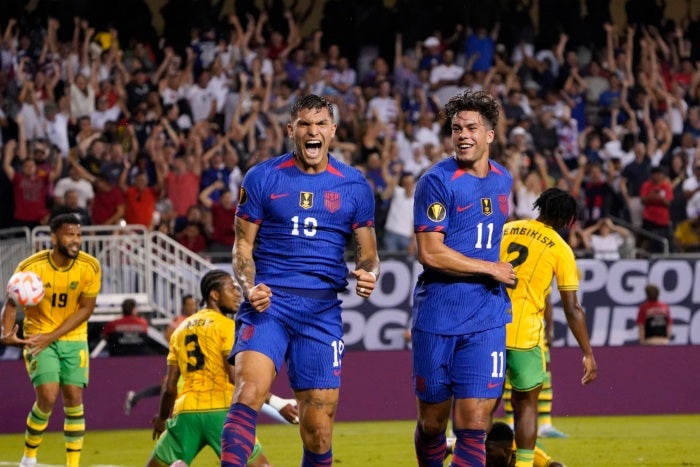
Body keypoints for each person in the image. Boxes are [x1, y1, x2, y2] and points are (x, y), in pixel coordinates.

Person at [220, 94, 380, 467]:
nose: (313, 131)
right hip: (268, 304)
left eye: (321, 124)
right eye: (305, 124)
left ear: (333, 131)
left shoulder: (354, 186)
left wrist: (369, 273)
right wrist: (248, 287)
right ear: (291, 130)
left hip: (322, 311)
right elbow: (242, 246)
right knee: (248, 392)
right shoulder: (262, 177)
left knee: (319, 429)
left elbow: (368, 252)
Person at [411, 89, 515, 466]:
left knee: (474, 422)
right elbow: (430, 252)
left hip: (486, 315)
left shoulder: (504, 179)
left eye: (472, 127)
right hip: (439, 312)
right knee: (434, 421)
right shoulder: (436, 182)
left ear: (489, 134)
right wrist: (491, 268)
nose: (463, 135)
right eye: (457, 128)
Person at [146, 270, 298, 467]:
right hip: (223, 412)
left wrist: (161, 419)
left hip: (186, 413)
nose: (237, 293)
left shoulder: (180, 330)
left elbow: (169, 386)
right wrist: (277, 403)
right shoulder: (227, 326)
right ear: (214, 295)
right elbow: (237, 379)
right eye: (231, 288)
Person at [500, 188, 598, 467]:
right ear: (569, 221)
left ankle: (465, 457)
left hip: (486, 330)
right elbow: (572, 308)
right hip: (524, 336)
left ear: (539, 207)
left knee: (480, 405)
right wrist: (588, 353)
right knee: (527, 405)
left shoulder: (508, 229)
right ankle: (524, 465)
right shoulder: (561, 249)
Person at [0, 214, 102, 467]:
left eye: (78, 235)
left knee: (74, 397)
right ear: (54, 237)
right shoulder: (30, 267)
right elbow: (11, 303)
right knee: (47, 397)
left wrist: (52, 337)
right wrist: (6, 332)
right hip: (37, 335)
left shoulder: (90, 266)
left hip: (74, 339)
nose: (76, 240)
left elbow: (86, 309)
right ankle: (29, 457)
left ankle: (73, 464)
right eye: (70, 235)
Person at [447, 421, 564, 467]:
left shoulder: (523, 451)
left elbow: (553, 465)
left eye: (488, 450)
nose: (484, 453)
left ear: (507, 450)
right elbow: (446, 448)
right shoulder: (476, 447)